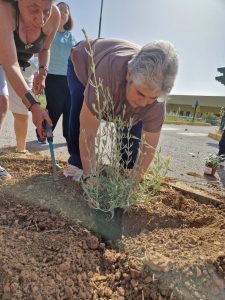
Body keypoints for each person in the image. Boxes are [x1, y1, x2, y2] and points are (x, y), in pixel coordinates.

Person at [65, 38, 179, 183]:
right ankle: (76, 163)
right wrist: (90, 177)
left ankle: (126, 169)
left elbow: (148, 148)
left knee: (134, 121)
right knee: (80, 107)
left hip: (116, 75)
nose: (144, 103)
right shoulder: (107, 74)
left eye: (152, 97)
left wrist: (133, 182)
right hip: (84, 61)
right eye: (141, 93)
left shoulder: (157, 100)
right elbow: (87, 133)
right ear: (129, 75)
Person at [0, 0, 60, 179]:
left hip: (22, 65)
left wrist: (43, 70)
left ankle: (21, 148)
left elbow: (46, 49)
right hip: (5, 60)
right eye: (34, 9)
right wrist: (34, 106)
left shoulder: (55, 15)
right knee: (2, 103)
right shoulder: (4, 10)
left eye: (46, 11)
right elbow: (9, 64)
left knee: (22, 114)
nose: (41, 19)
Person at [37, 1, 76, 144]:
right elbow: (41, 50)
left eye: (66, 11)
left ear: (68, 16)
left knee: (70, 108)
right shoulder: (49, 31)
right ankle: (43, 133)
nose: (63, 13)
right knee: (54, 108)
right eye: (60, 10)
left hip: (70, 78)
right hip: (52, 76)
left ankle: (69, 136)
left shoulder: (71, 36)